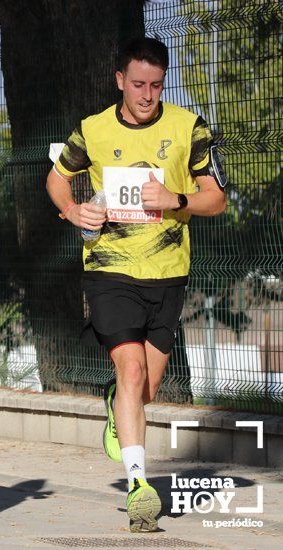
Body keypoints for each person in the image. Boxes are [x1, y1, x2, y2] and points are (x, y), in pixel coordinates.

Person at [46, 37, 226, 532]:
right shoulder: (93, 130)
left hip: (167, 272)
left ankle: (114, 405)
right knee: (129, 371)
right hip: (109, 267)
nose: (147, 95)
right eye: (138, 84)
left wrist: (176, 199)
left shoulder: (189, 128)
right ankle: (138, 487)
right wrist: (72, 209)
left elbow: (216, 199)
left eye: (156, 85)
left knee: (144, 387)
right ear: (120, 80)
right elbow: (57, 179)